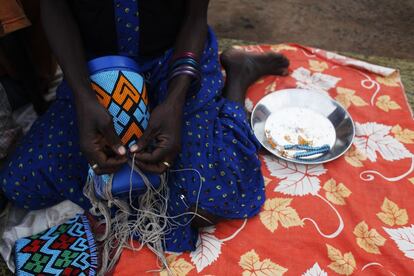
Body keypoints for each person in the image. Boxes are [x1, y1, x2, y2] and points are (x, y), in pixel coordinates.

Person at [0, 0, 289, 253]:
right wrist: (83, 98)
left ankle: (238, 74)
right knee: (20, 184)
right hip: (96, 68)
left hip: (174, 62)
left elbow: (195, 17)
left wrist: (176, 101)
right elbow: (55, 6)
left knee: (218, 199)